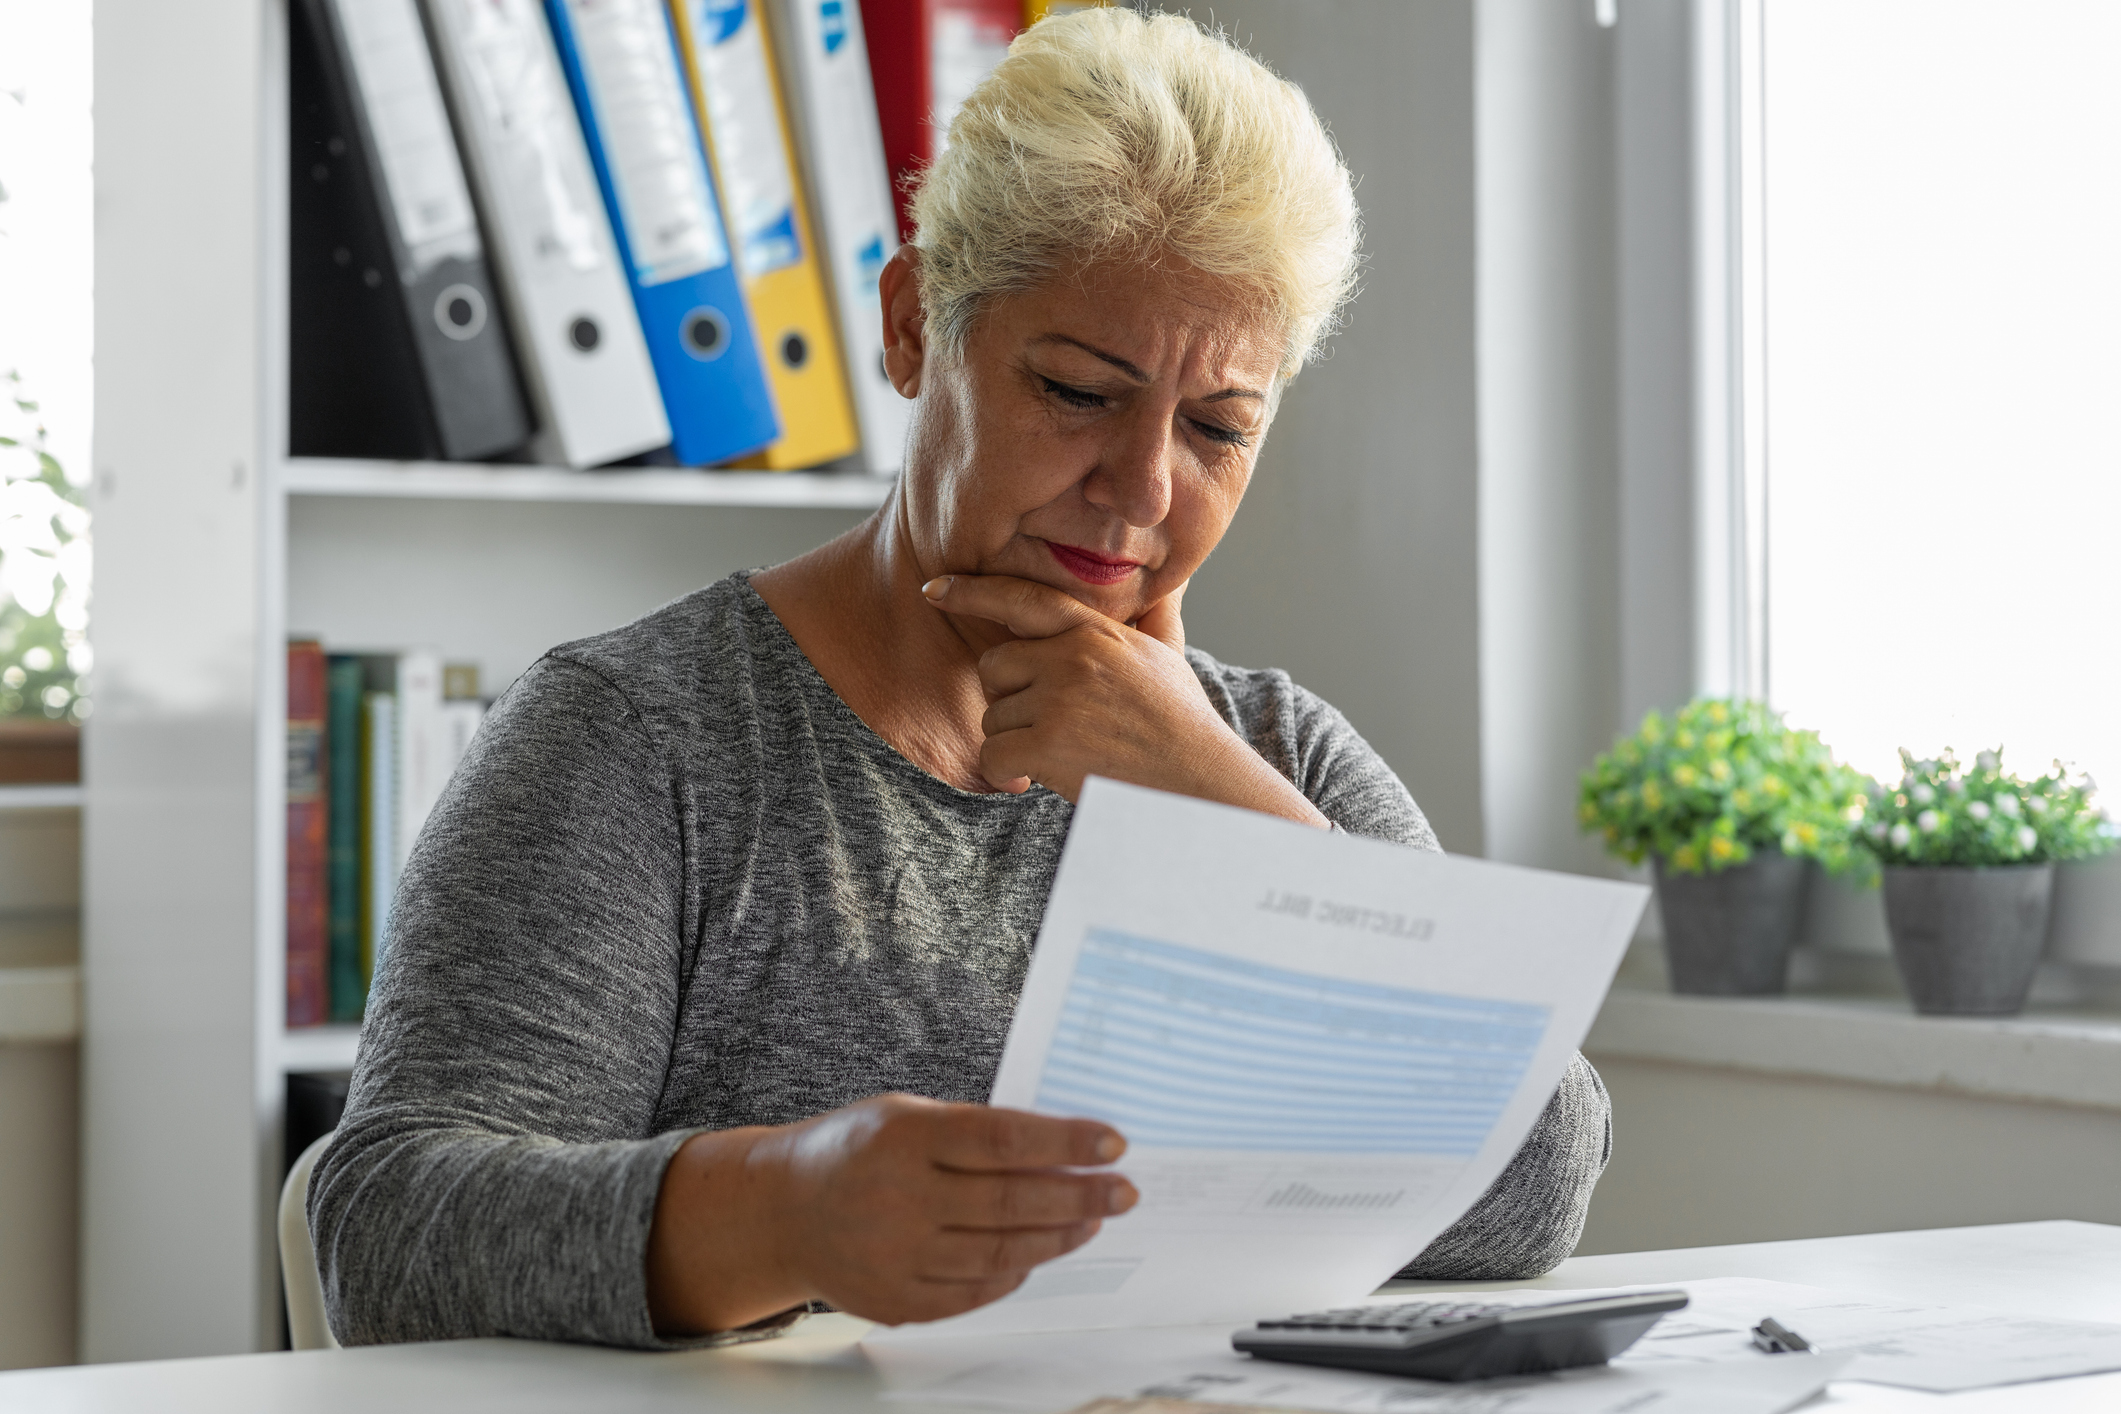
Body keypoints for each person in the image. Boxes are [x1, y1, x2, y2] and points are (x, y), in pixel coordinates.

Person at [310, 7, 1611, 1348]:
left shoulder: (1275, 749)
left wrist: (1233, 821)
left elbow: (1532, 1191)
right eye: (1077, 391)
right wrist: (784, 1209)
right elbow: (391, 1229)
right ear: (911, 325)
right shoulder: (643, 738)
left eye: (1220, 426)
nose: (1144, 489)